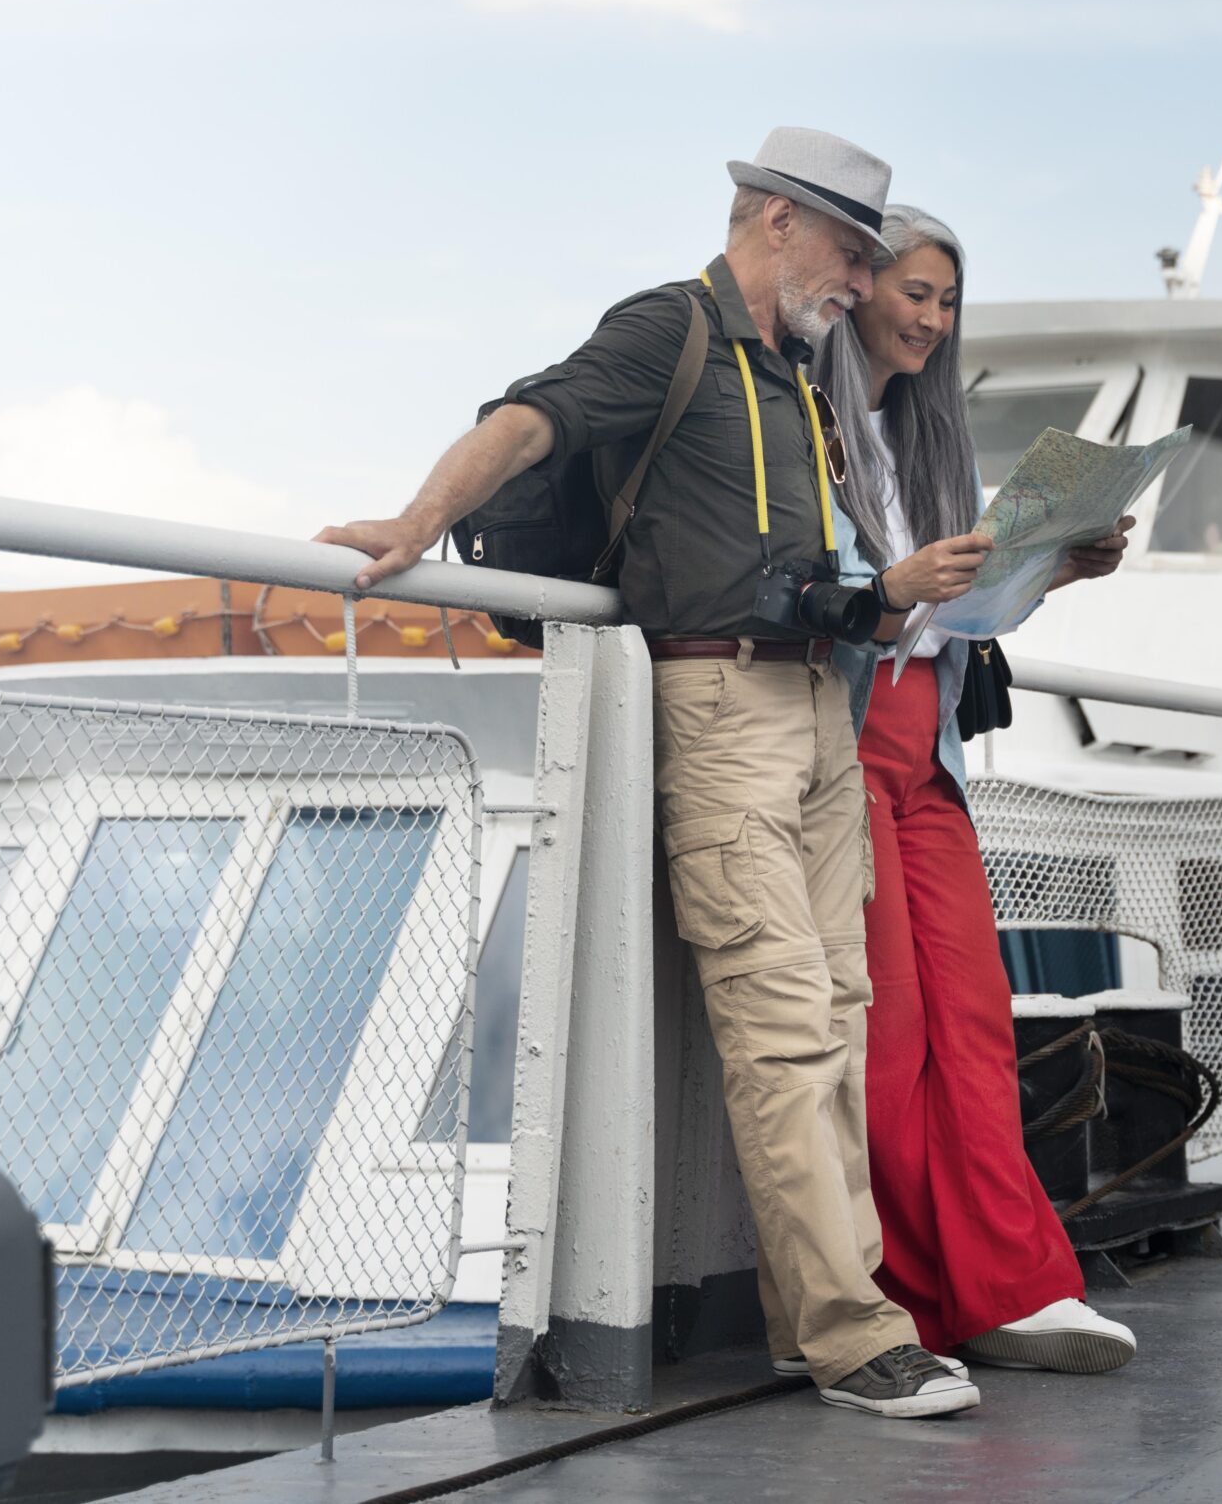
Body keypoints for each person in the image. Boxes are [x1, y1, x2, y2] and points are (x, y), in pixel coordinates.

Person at [317, 130, 978, 1420]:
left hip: (812, 700)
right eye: (851, 250)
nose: (859, 276)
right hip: (720, 702)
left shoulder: (795, 372)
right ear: (777, 222)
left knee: (839, 1017)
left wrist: (900, 594)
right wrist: (411, 522)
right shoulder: (666, 329)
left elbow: (809, 568)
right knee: (785, 1031)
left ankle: (814, 1321)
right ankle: (854, 1339)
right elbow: (526, 421)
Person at [814, 204, 1141, 1374]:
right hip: (844, 753)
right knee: (889, 1035)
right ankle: (912, 1299)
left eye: (947, 303)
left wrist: (1047, 565)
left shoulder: (925, 441)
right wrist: (904, 583)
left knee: (971, 1021)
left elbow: (960, 617)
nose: (932, 320)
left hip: (927, 757)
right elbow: (824, 593)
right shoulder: (812, 428)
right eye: (914, 293)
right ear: (856, 289)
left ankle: (1018, 1285)